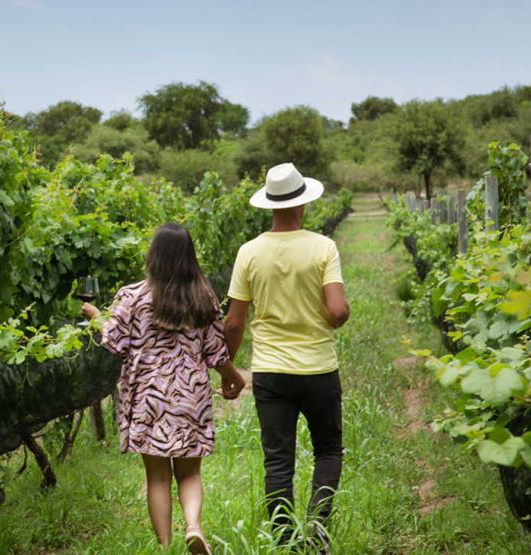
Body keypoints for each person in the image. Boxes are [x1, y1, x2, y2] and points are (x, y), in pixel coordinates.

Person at [81, 222, 246, 555]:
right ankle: (194, 526)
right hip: (190, 394)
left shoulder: (132, 296)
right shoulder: (203, 296)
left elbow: (114, 341)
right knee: (189, 472)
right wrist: (235, 377)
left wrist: (97, 316)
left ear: (153, 256)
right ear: (189, 257)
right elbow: (216, 351)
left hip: (147, 395)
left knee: (157, 477)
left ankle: (165, 547)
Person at [223, 162, 350, 547]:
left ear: (270, 205)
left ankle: (283, 540)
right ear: (303, 204)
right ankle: (316, 530)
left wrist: (227, 370)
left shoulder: (249, 252)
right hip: (317, 369)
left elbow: (233, 323)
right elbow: (338, 311)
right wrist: (328, 316)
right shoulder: (323, 247)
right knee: (327, 450)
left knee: (278, 460)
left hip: (270, 371)